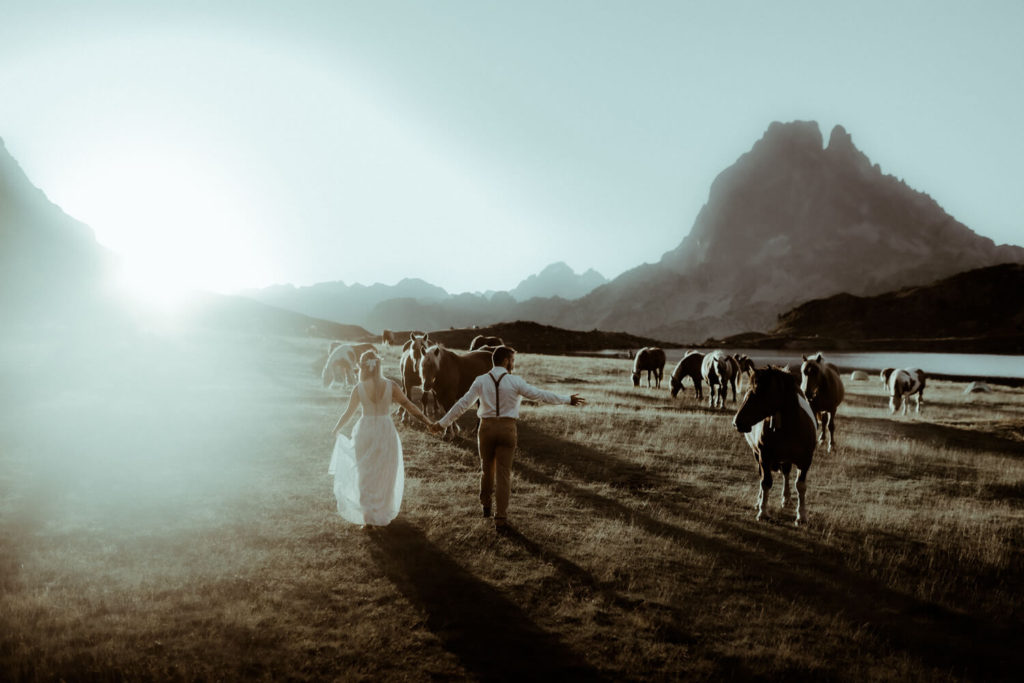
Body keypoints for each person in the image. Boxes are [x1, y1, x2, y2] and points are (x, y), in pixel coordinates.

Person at [431, 345, 585, 530]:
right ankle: (501, 518)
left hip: (486, 429)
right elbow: (540, 395)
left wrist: (442, 424)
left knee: (486, 470)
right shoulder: (515, 381)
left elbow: (462, 405)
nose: (513, 364)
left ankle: (486, 505)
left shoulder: (480, 380)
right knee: (504, 474)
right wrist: (567, 399)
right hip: (507, 429)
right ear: (505, 361)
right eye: (512, 360)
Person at [329, 349, 434, 528]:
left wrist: (337, 428)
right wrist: (427, 421)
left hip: (365, 430)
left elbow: (348, 412)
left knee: (365, 472)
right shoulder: (391, 385)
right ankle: (382, 513)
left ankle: (368, 516)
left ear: (362, 366)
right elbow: (408, 404)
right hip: (385, 430)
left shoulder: (359, 388)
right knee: (385, 472)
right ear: (378, 365)